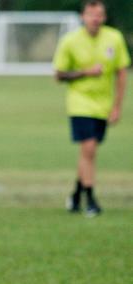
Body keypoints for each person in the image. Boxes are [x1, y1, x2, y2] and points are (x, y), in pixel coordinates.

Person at [53, 0, 130, 217]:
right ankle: (91, 200)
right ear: (82, 16)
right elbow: (58, 74)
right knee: (89, 148)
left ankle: (76, 195)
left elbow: (122, 73)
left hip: (103, 105)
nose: (95, 19)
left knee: (89, 151)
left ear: (104, 18)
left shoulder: (114, 38)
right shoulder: (70, 41)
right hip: (79, 103)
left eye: (99, 15)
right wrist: (85, 72)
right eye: (91, 14)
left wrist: (117, 106)